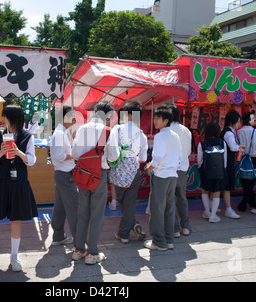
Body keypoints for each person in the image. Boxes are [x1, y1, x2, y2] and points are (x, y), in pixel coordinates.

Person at [0, 105, 38, 272]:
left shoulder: (27, 137)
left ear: (13, 117)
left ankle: (14, 257)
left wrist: (18, 152)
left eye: (5, 116)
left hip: (18, 181)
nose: (2, 119)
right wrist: (1, 153)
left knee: (16, 220)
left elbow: (31, 160)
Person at [71, 101, 118, 264]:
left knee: (82, 213)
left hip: (83, 175)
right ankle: (92, 253)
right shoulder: (107, 131)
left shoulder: (82, 128)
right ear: (109, 116)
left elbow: (75, 153)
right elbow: (113, 157)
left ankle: (78, 250)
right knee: (97, 215)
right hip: (99, 175)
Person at [107, 101, 148, 244]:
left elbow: (111, 150)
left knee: (122, 201)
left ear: (129, 115)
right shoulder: (142, 134)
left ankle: (124, 233)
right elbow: (143, 158)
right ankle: (131, 226)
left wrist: (114, 160)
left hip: (119, 170)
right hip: (134, 171)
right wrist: (134, 157)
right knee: (129, 203)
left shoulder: (117, 129)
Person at [144, 105, 181, 251]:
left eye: (158, 118)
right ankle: (169, 239)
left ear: (165, 120)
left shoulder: (160, 136)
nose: (155, 121)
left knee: (157, 209)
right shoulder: (175, 135)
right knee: (169, 208)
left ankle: (159, 241)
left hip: (161, 175)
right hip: (172, 174)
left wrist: (149, 168)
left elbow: (158, 157)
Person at [50, 106, 78, 246]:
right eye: (72, 117)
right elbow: (58, 156)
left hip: (63, 174)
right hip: (65, 175)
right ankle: (79, 241)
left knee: (60, 207)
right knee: (75, 207)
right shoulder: (60, 134)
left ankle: (58, 236)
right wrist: (75, 154)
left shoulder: (62, 132)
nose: (74, 120)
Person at [167, 103, 192, 236]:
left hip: (169, 169)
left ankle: (175, 228)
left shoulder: (165, 131)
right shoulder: (186, 130)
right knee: (182, 198)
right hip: (182, 167)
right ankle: (186, 226)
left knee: (170, 199)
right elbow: (188, 151)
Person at [198, 122, 227, 223]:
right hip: (219, 172)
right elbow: (225, 160)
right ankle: (213, 215)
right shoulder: (222, 143)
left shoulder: (202, 143)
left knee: (205, 190)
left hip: (206, 171)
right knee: (216, 192)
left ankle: (207, 211)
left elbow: (199, 160)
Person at [237, 110, 256, 212]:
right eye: (253, 118)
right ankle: (244, 203)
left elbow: (238, 148)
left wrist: (238, 159)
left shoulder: (238, 132)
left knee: (245, 182)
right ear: (248, 120)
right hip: (253, 159)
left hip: (242, 159)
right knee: (251, 182)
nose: (255, 120)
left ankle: (251, 202)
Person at [220, 110, 245, 219]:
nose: (239, 124)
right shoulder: (229, 133)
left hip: (225, 161)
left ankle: (212, 206)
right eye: (238, 122)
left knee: (222, 185)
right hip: (227, 162)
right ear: (232, 122)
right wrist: (241, 147)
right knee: (227, 186)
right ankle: (228, 209)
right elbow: (233, 147)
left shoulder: (226, 132)